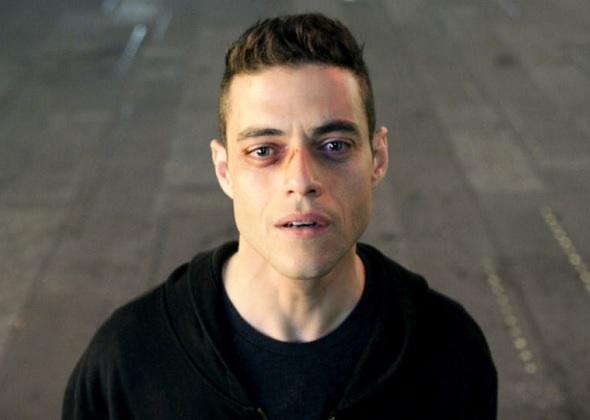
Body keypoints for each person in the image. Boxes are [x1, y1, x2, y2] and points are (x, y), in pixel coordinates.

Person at [62, 13, 497, 420]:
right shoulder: (128, 363)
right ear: (224, 170)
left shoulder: (448, 352)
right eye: (264, 151)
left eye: (334, 146)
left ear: (377, 158)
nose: (301, 180)